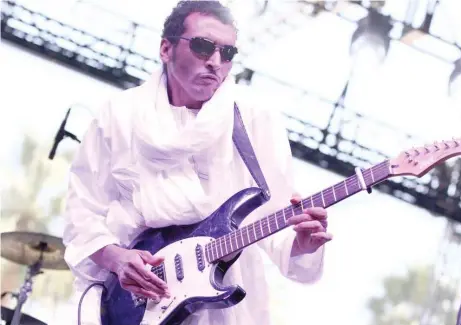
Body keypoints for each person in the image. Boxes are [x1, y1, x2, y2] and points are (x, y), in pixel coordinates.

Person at [62, 1, 332, 324]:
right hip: (132, 304)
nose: (216, 62)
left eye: (228, 53)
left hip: (224, 308)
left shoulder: (255, 119)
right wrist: (117, 259)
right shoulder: (119, 115)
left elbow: (275, 220)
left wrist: (302, 244)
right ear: (166, 48)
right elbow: (82, 210)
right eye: (204, 47)